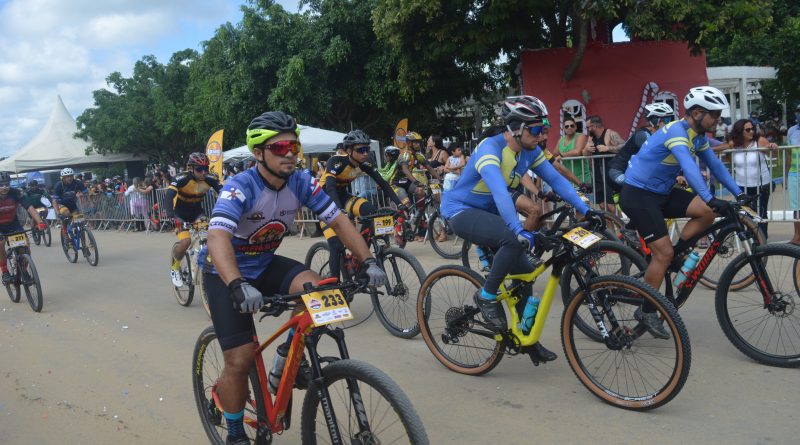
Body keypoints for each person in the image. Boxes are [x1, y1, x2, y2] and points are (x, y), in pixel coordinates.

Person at [202, 111, 387, 445]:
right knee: (240, 358)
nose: (291, 152)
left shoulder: (301, 181)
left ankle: (285, 359)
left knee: (319, 289)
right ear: (259, 154)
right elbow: (217, 238)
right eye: (281, 146)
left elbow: (340, 221)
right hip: (225, 272)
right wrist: (236, 284)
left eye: (294, 146)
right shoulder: (240, 186)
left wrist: (369, 261)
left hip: (264, 263)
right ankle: (233, 431)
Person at [441, 95, 603, 363]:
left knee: (525, 274)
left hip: (490, 210)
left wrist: (587, 209)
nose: (542, 137)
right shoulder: (489, 150)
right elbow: (500, 193)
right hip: (462, 210)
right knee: (511, 239)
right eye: (536, 130)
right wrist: (517, 228)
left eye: (544, 129)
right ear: (516, 128)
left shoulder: (529, 151)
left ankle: (526, 339)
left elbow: (557, 181)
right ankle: (486, 295)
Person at [620, 86, 746, 338]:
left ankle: (676, 253)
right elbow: (689, 168)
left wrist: (739, 192)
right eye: (714, 114)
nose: (718, 119)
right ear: (697, 112)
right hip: (639, 195)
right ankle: (646, 310)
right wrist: (711, 197)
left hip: (662, 192)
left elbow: (715, 166)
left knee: (706, 214)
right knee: (663, 253)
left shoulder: (697, 137)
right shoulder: (676, 132)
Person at [320, 129, 405, 279]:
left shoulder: (364, 164)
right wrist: (339, 210)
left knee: (372, 212)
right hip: (325, 201)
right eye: (361, 150)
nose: (365, 153)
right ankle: (335, 285)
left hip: (344, 197)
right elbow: (331, 188)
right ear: (349, 150)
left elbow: (383, 184)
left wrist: (399, 204)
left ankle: (358, 258)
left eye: (367, 149)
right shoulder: (336, 161)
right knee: (337, 246)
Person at [166, 152, 223, 287]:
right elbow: (169, 196)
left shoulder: (210, 179)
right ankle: (175, 268)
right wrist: (170, 215)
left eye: (206, 169)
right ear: (190, 168)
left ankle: (201, 265)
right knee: (186, 241)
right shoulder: (181, 178)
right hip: (179, 214)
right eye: (199, 169)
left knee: (211, 238)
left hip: (197, 213)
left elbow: (224, 194)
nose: (203, 172)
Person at [607, 102, 675, 188]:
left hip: (630, 171)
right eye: (666, 120)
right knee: (638, 189)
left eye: (670, 119)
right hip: (617, 171)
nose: (669, 123)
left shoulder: (657, 135)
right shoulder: (642, 135)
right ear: (655, 121)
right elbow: (656, 155)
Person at [730, 119, 777, 238]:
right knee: (747, 216)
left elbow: (774, 154)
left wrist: (773, 147)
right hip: (741, 186)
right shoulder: (734, 145)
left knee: (760, 215)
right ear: (740, 131)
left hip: (760, 186)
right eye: (748, 129)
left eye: (752, 129)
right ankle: (753, 242)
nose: (751, 131)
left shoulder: (759, 141)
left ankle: (762, 242)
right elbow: (720, 150)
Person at [0, 172, 47, 284]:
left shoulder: (16, 193)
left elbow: (30, 208)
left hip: (13, 223)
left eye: (7, 184)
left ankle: (23, 269)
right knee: (0, 243)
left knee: (25, 247)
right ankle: (5, 271)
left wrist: (39, 222)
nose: (5, 187)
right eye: (1, 184)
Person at [584, 116, 625, 212]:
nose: (588, 129)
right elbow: (584, 154)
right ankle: (609, 227)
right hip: (597, 173)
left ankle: (619, 226)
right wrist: (586, 150)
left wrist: (608, 148)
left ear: (594, 126)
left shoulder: (610, 133)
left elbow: (625, 146)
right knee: (602, 205)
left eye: (588, 127)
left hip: (609, 173)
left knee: (611, 206)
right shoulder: (591, 138)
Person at [556, 117, 591, 187]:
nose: (569, 127)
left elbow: (577, 152)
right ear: (563, 129)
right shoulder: (561, 139)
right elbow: (554, 154)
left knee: (585, 198)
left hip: (582, 179)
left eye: (572, 125)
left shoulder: (581, 136)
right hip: (567, 180)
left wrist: (562, 155)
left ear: (575, 127)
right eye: (567, 126)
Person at [786, 104, 800, 245]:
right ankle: (797, 236)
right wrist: (786, 174)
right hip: (795, 174)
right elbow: (789, 154)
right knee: (796, 207)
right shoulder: (791, 131)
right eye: (798, 111)